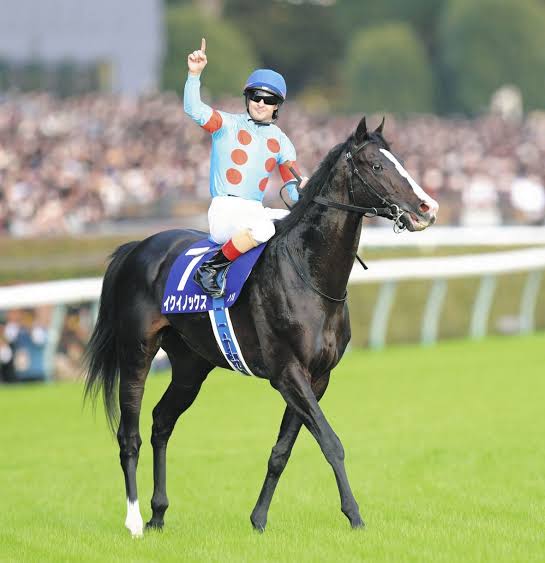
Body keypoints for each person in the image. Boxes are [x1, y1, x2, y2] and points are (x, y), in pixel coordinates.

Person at [184, 38, 308, 298]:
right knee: (265, 229)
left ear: (277, 105)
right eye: (255, 96)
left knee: (296, 225)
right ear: (248, 98)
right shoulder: (225, 124)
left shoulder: (282, 142)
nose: (261, 103)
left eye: (268, 98)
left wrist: (307, 191)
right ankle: (211, 268)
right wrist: (194, 75)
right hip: (225, 210)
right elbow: (193, 109)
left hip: (254, 210)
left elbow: (293, 191)